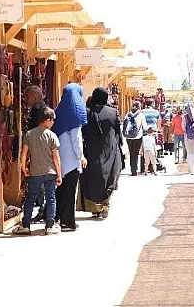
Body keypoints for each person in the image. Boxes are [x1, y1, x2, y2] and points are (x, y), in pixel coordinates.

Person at [14, 108, 62, 235]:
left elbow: (23, 153)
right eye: (53, 121)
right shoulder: (52, 135)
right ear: (47, 120)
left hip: (35, 172)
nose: (53, 123)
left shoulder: (29, 134)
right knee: (51, 198)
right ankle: (50, 225)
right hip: (50, 172)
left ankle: (25, 225)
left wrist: (24, 168)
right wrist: (59, 174)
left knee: (30, 198)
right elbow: (56, 157)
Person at [80, 88, 122, 219]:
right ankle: (105, 204)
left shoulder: (86, 113)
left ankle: (96, 208)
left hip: (91, 151)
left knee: (93, 179)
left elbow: (82, 132)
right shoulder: (113, 112)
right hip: (110, 150)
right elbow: (118, 132)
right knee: (110, 176)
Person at [52, 84, 87, 231]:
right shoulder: (75, 116)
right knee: (70, 192)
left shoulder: (59, 112)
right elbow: (76, 140)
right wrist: (81, 156)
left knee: (61, 191)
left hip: (60, 160)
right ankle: (68, 222)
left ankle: (59, 219)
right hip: (72, 161)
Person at [25, 85, 49, 222]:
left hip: (40, 150)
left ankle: (44, 210)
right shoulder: (38, 110)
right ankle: (43, 210)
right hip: (37, 150)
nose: (26, 100)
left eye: (28, 97)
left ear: (35, 97)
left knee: (41, 183)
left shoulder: (42, 111)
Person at [124, 101, 147, 176]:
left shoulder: (128, 114)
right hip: (138, 136)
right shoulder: (141, 115)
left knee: (131, 153)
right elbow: (145, 126)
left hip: (129, 136)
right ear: (139, 107)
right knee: (136, 153)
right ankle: (135, 170)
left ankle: (132, 169)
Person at [139, 99, 161, 174]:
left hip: (143, 133)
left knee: (143, 150)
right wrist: (158, 131)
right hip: (153, 133)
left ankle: (143, 168)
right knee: (152, 150)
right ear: (152, 104)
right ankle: (152, 169)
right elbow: (159, 124)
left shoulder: (141, 112)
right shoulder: (156, 112)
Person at [184, 104, 194, 175]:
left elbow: (183, 127)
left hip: (187, 137)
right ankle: (193, 169)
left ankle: (190, 168)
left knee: (189, 152)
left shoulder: (184, 117)